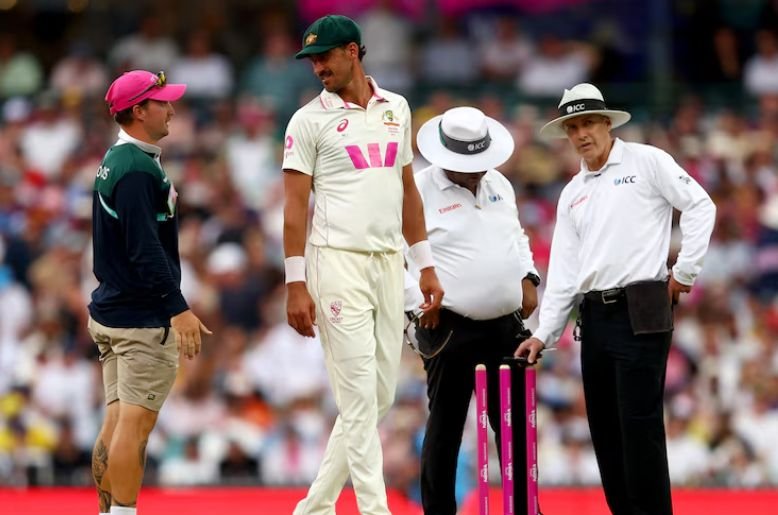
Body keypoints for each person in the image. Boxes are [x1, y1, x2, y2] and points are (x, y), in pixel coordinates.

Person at [515, 83, 716, 515]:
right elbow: (566, 272)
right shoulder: (573, 191)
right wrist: (545, 334)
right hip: (595, 317)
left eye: (589, 122)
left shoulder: (647, 161)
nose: (582, 133)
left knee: (639, 427)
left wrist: (684, 272)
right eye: (573, 126)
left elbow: (701, 206)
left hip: (642, 308)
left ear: (607, 123)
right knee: (605, 431)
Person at [281, 15, 444, 515]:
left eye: (325, 57)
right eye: (311, 61)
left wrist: (425, 265)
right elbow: (293, 207)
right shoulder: (307, 120)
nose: (317, 69)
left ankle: (315, 506)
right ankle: (376, 509)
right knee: (357, 397)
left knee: (378, 396)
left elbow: (407, 192)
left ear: (353, 51)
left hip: (389, 263)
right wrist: (295, 282)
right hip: (336, 266)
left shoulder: (397, 107)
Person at [88, 70, 211, 515]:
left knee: (117, 421)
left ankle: (107, 512)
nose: (172, 109)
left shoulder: (119, 158)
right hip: (140, 318)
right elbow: (144, 250)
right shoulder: (137, 169)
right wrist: (177, 309)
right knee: (134, 428)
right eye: (161, 102)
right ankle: (122, 513)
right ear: (138, 110)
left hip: (113, 308)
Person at [406, 106, 541, 515]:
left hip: (505, 324)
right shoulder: (416, 190)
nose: (478, 171)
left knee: (514, 428)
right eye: (469, 165)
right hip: (448, 324)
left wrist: (529, 276)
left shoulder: (497, 182)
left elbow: (515, 235)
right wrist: (416, 306)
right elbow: (394, 257)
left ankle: (524, 510)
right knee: (446, 427)